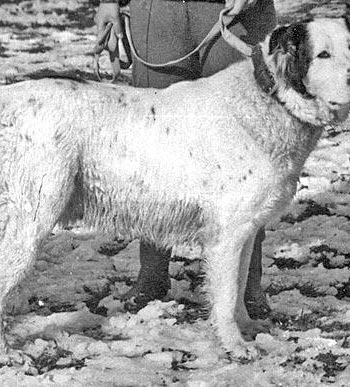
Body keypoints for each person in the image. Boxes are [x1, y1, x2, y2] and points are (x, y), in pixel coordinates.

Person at [95, 0, 276, 319]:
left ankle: (247, 285)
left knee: (242, 146)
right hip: (159, 11)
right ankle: (151, 275)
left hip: (236, 11)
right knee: (156, 140)